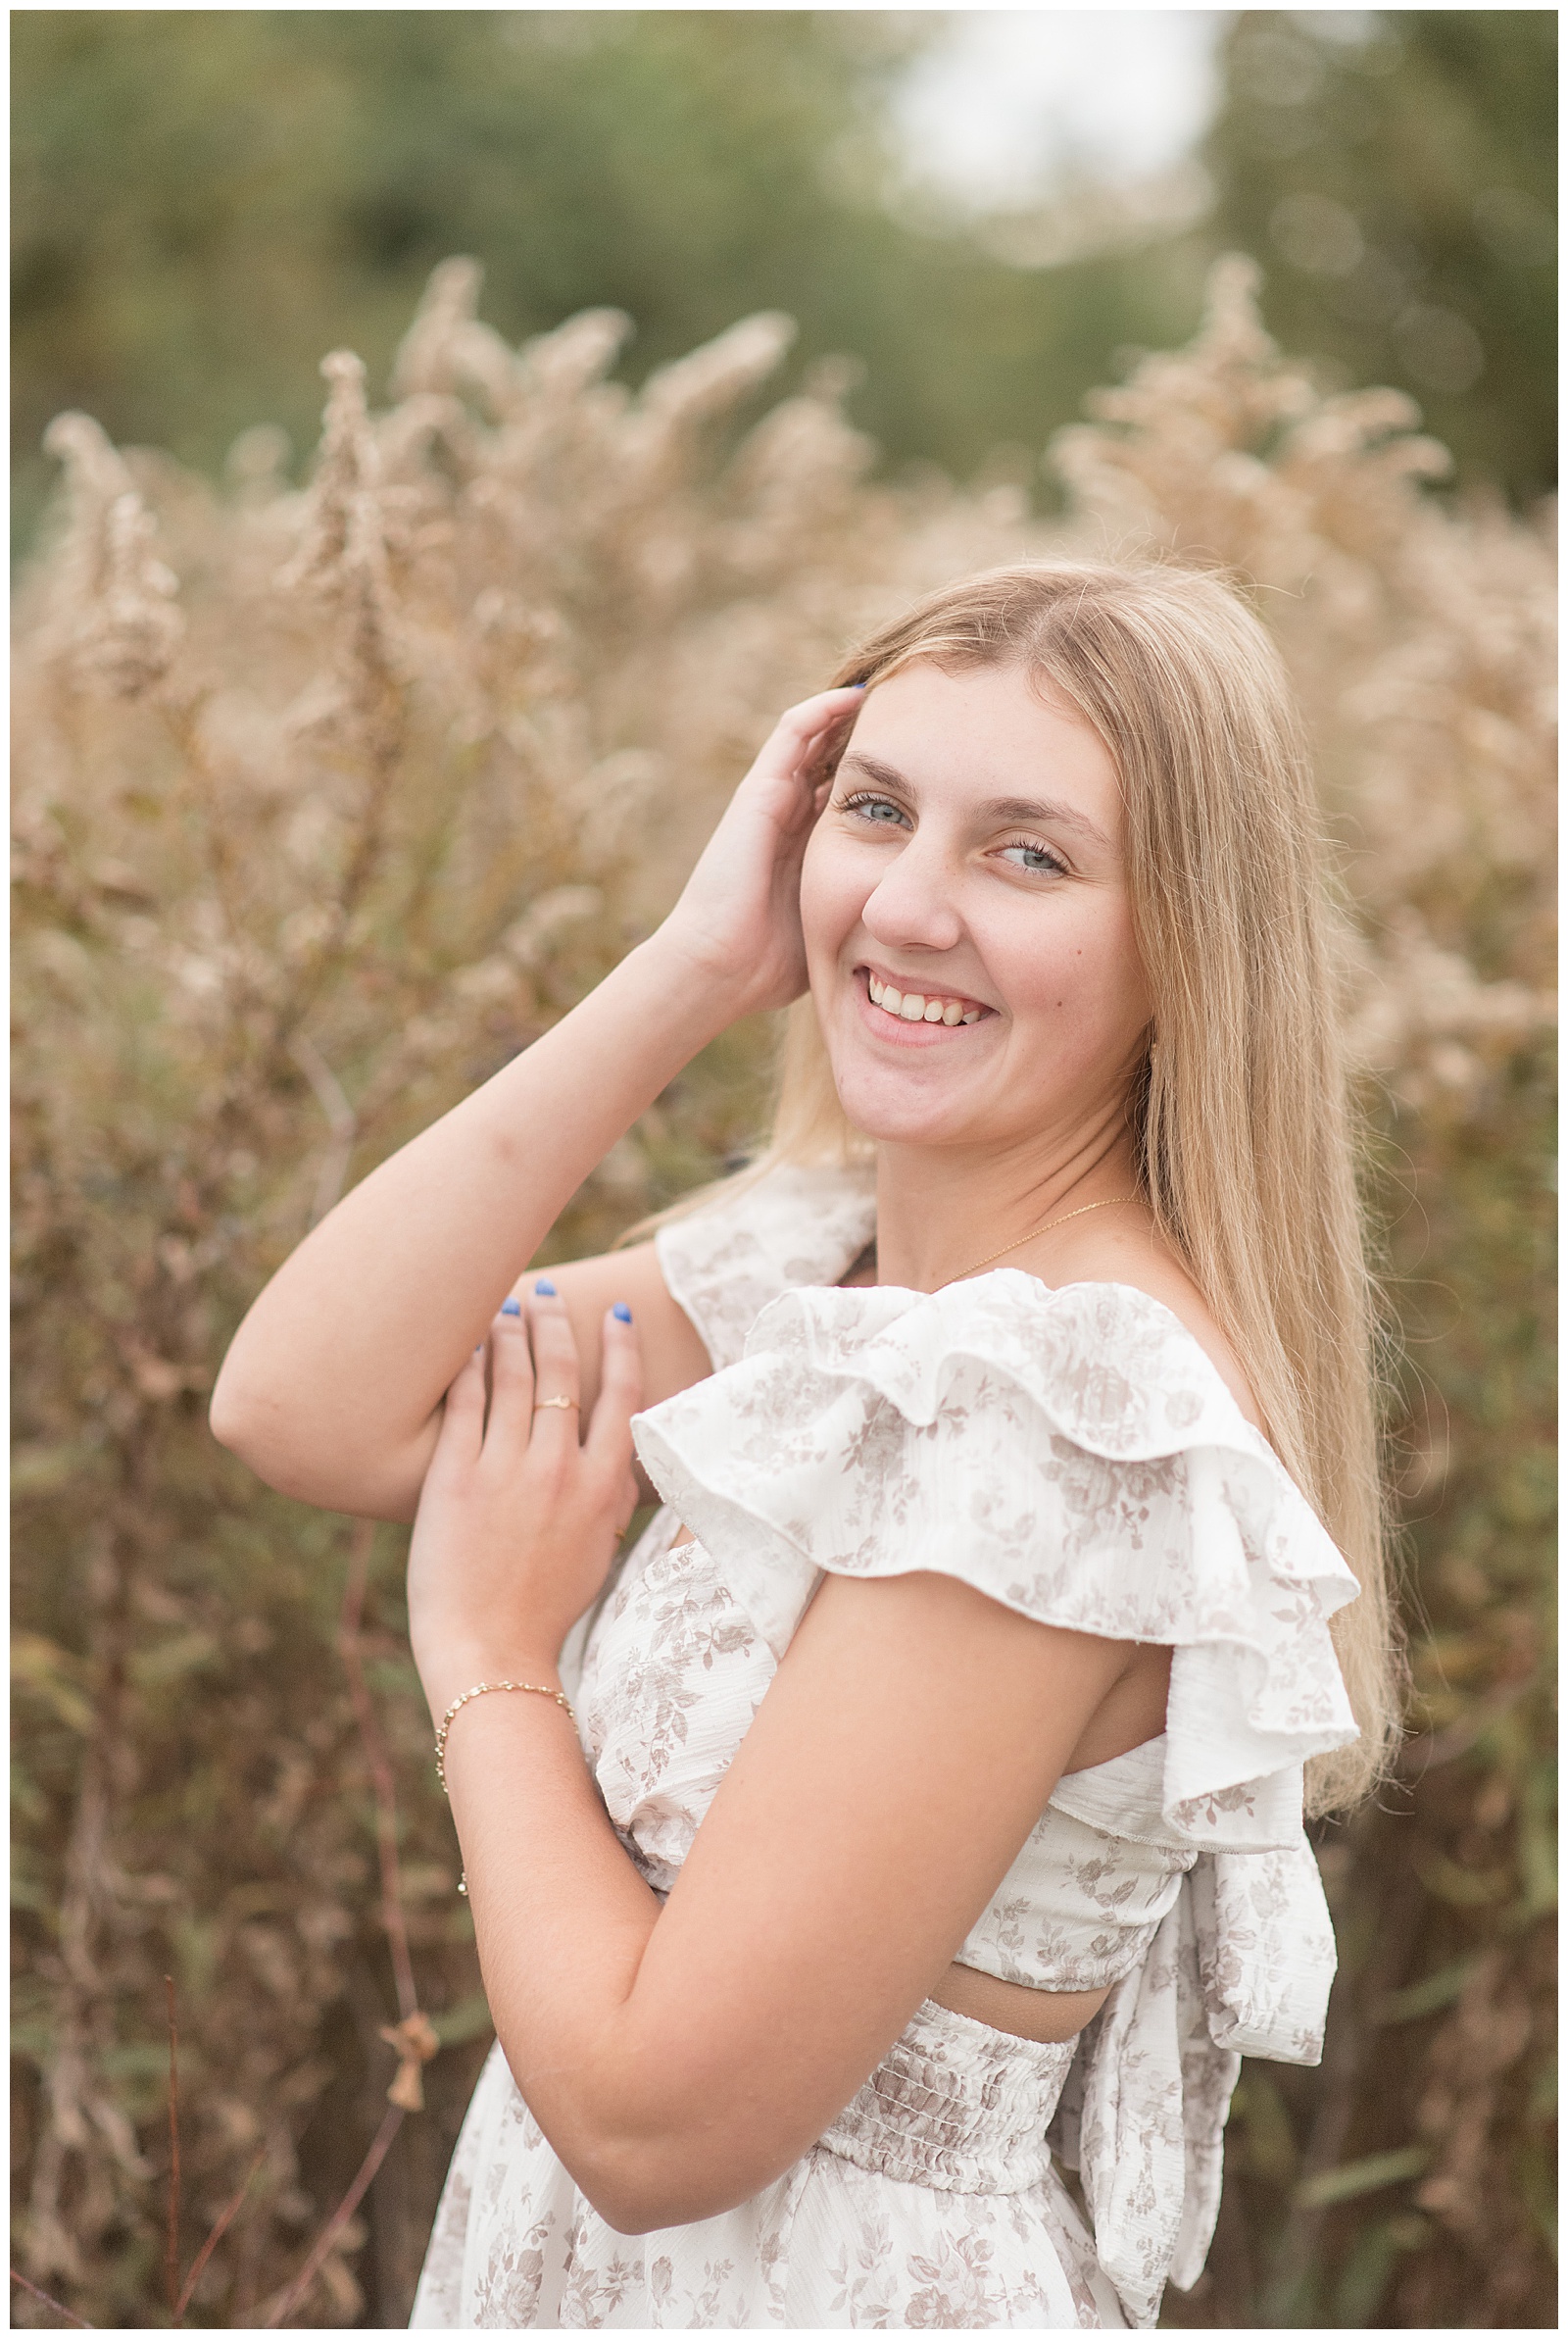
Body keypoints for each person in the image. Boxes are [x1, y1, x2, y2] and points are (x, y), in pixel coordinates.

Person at [212, 561, 1399, 2330]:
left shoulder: (1063, 1413)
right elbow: (301, 1402)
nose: (908, 907)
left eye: (1029, 853)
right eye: (874, 812)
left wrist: (486, 1649)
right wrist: (700, 963)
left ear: (1187, 942)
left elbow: (650, 2116)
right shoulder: (824, 1270)